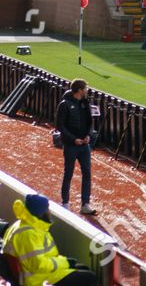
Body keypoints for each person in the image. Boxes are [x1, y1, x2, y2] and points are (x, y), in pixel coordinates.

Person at [1, 194, 98, 286]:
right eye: (47, 209)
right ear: (40, 213)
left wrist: (64, 262)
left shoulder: (24, 224)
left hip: (37, 275)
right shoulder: (29, 234)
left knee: (83, 269)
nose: (49, 212)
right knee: (90, 277)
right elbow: (39, 265)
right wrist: (65, 262)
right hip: (37, 280)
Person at [55, 80, 97, 216]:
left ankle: (85, 204)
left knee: (87, 173)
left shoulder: (85, 103)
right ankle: (65, 203)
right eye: (85, 88)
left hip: (84, 145)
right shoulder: (64, 105)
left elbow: (90, 122)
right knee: (69, 173)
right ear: (79, 90)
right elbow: (60, 126)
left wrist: (89, 135)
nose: (87, 90)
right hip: (71, 146)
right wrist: (73, 139)